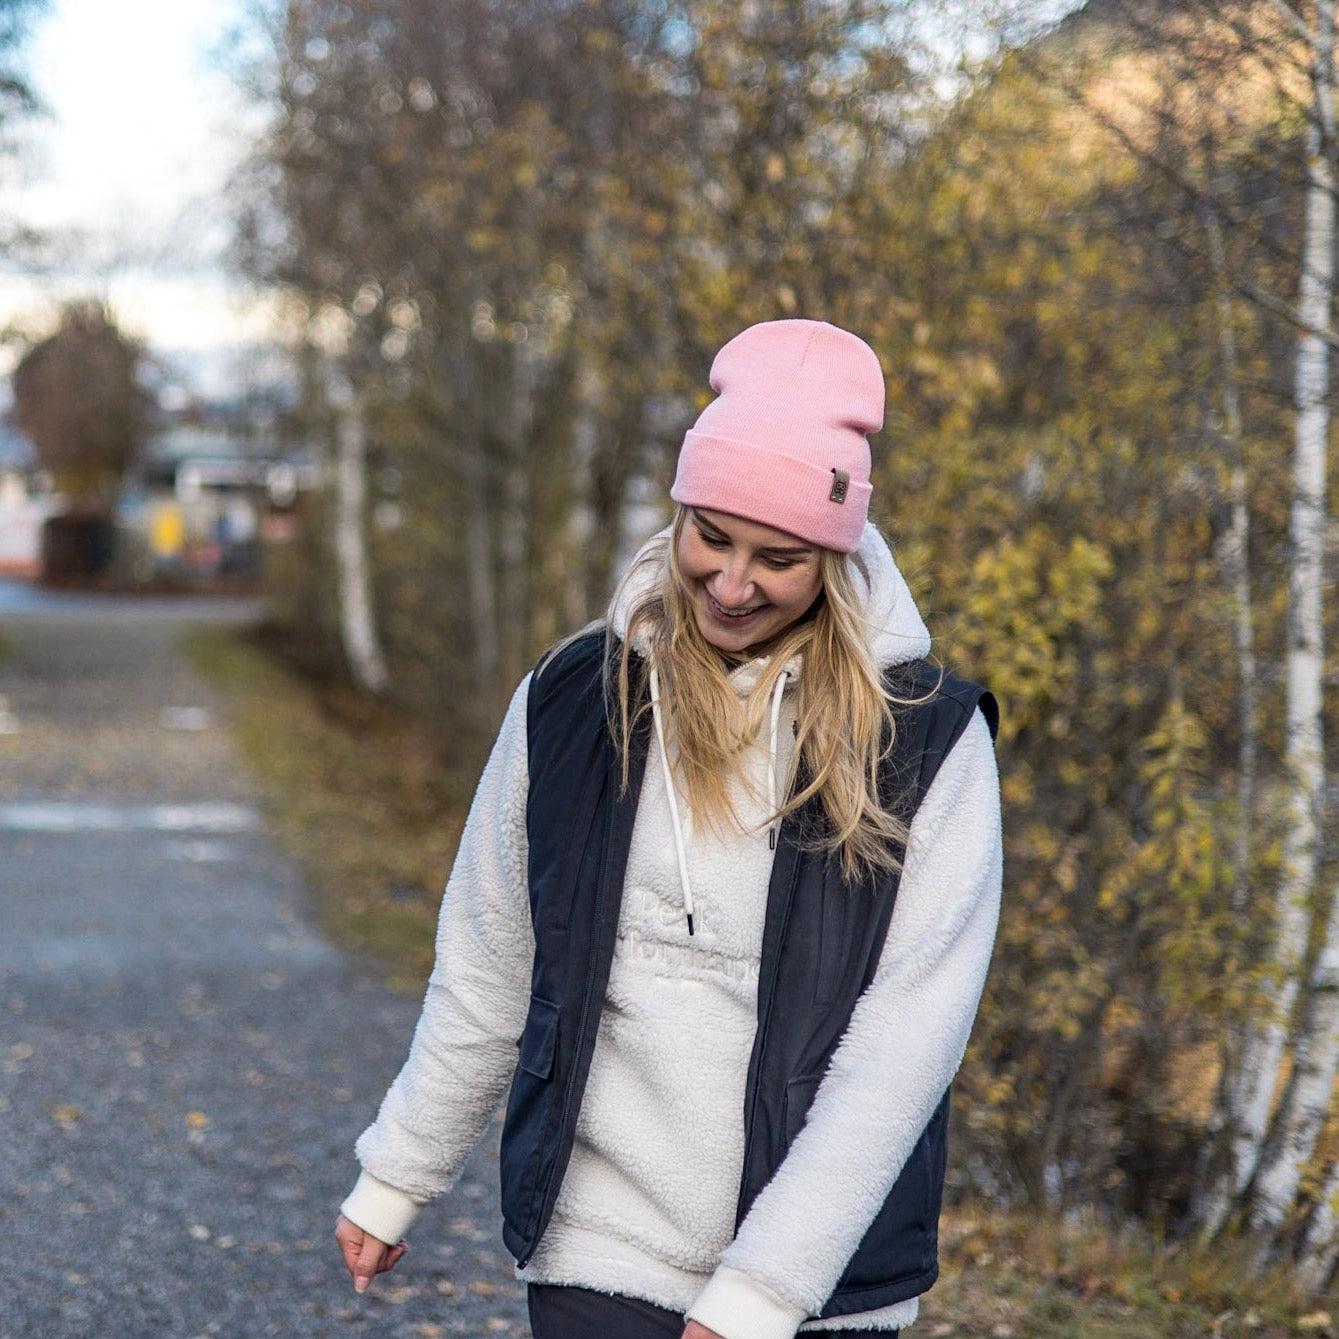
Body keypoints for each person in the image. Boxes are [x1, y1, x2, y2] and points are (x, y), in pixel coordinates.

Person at [334, 319, 1002, 1339]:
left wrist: (762, 1291)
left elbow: (904, 1044)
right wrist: (398, 1171)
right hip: (597, 1242)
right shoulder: (572, 701)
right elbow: (488, 958)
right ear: (679, 512)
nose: (732, 584)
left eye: (777, 557)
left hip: (817, 1284)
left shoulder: (924, 742)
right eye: (711, 537)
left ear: (834, 552)